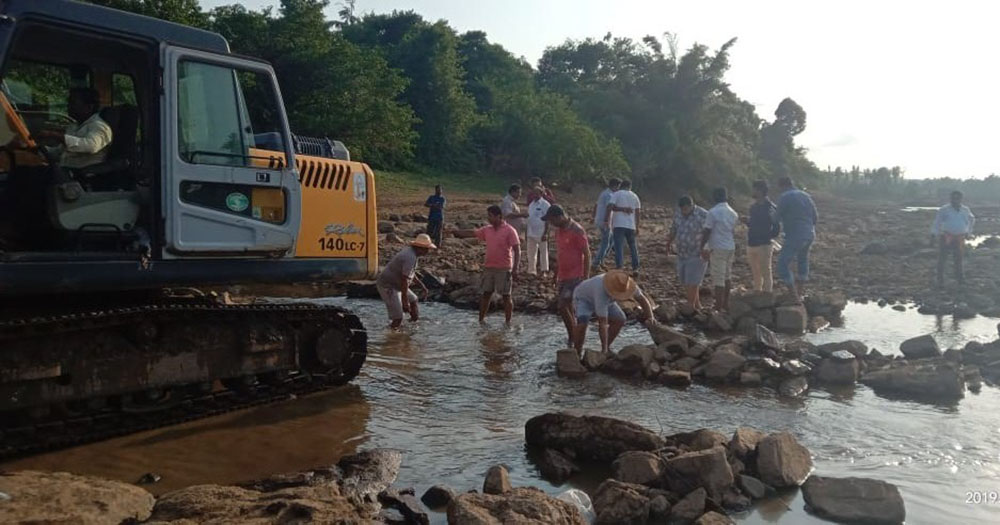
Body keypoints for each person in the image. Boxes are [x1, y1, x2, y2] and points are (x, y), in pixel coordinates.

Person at [572, 270, 653, 355]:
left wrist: (651, 317)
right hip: (583, 299)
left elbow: (642, 299)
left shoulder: (628, 284)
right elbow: (603, 324)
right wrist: (604, 350)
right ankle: (576, 352)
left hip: (608, 300)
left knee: (620, 319)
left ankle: (606, 347)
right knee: (582, 324)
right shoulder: (600, 290)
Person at [542, 204, 591, 345]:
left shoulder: (577, 230)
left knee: (562, 306)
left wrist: (586, 277)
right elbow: (561, 253)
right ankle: (574, 335)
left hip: (576, 275)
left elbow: (586, 253)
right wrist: (555, 274)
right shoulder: (559, 231)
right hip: (563, 275)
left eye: (552, 220)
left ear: (560, 217)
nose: (551, 224)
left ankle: (573, 336)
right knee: (567, 307)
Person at [36, 88, 113, 169]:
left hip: (84, 176)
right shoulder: (73, 126)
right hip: (64, 171)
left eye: (73, 103)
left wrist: (55, 135)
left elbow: (91, 146)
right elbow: (59, 152)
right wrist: (39, 149)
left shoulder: (99, 126)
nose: (68, 106)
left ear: (89, 107)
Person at [375, 234, 436, 328]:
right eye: (426, 249)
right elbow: (405, 280)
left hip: (398, 284)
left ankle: (413, 324)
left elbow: (410, 273)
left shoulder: (413, 254)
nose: (428, 251)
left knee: (414, 299)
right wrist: (404, 300)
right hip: (388, 286)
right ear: (419, 248)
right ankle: (392, 334)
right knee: (398, 317)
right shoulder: (410, 257)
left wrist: (422, 285)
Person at [775, 177, 818, 303]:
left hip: (795, 235)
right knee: (802, 261)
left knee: (782, 265)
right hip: (809, 234)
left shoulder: (785, 197)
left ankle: (793, 297)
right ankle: (799, 293)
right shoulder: (806, 196)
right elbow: (815, 217)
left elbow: (775, 219)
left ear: (781, 186)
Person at [475, 205, 521, 325]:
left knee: (506, 296)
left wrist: (515, 269)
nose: (488, 218)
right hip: (489, 267)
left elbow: (517, 249)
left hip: (504, 268)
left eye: (490, 216)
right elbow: (474, 233)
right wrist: (454, 232)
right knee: (486, 294)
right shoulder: (487, 229)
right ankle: (481, 321)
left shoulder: (510, 230)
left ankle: (508, 322)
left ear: (498, 216)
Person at [667, 196, 709, 312]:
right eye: (682, 209)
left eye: (686, 209)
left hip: (697, 253)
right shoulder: (678, 214)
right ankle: (697, 305)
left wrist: (707, 248)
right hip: (682, 253)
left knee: (693, 280)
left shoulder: (703, 215)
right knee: (685, 279)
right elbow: (674, 228)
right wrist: (668, 242)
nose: (683, 211)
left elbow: (710, 232)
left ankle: (690, 306)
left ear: (691, 206)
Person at [700, 187, 738, 312]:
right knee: (727, 275)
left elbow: (707, 231)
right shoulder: (733, 213)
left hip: (718, 247)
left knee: (718, 277)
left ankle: (718, 306)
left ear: (714, 197)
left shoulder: (713, 212)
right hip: (730, 246)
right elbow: (732, 231)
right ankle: (725, 304)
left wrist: (701, 246)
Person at [742, 180, 780, 292]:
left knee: (765, 272)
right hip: (752, 242)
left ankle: (767, 295)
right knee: (755, 272)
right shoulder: (753, 207)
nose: (752, 191)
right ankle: (757, 293)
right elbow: (754, 224)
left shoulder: (770, 207)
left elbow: (776, 227)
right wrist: (747, 222)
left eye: (754, 189)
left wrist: (767, 237)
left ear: (760, 190)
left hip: (764, 244)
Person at [931, 190, 975, 287]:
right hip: (946, 236)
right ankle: (940, 279)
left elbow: (972, 219)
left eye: (957, 198)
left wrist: (969, 232)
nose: (955, 200)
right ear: (950, 199)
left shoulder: (965, 210)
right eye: (953, 198)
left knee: (958, 259)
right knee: (942, 258)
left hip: (960, 237)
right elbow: (937, 222)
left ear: (961, 199)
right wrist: (934, 234)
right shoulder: (944, 209)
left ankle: (960, 279)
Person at [609, 179, 641, 274]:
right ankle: (635, 268)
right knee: (633, 246)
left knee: (619, 246)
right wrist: (637, 226)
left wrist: (621, 209)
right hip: (631, 225)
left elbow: (611, 206)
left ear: (621, 186)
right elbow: (638, 212)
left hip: (619, 224)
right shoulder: (635, 196)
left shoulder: (617, 194)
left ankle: (619, 267)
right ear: (630, 187)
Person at [592, 178, 620, 271]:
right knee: (605, 243)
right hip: (605, 222)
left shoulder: (604, 193)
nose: (618, 189)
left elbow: (596, 205)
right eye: (618, 187)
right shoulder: (609, 195)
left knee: (611, 241)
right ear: (614, 186)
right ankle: (596, 263)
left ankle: (601, 260)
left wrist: (594, 216)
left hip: (602, 220)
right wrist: (606, 221)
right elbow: (609, 208)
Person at [525, 194, 551, 275]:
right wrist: (526, 232)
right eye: (534, 192)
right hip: (531, 232)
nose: (534, 195)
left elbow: (548, 220)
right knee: (531, 252)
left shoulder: (545, 204)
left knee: (543, 252)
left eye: (536, 193)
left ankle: (544, 271)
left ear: (541, 193)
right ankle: (531, 270)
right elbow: (529, 218)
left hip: (541, 232)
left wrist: (546, 233)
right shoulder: (531, 204)